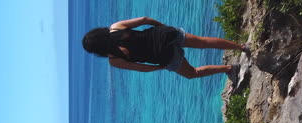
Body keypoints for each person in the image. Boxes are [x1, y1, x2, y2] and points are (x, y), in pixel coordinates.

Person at [82, 17, 249, 79]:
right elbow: (145, 19)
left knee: (192, 73)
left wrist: (159, 67)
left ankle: (230, 68)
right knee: (203, 41)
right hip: (165, 34)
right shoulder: (116, 27)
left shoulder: (115, 60)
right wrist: (162, 27)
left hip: (164, 55)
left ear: (98, 50)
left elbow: (140, 68)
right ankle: (242, 47)